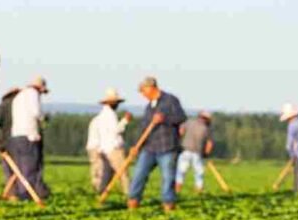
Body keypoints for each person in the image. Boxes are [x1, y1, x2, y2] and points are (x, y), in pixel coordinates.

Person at [128, 76, 187, 211]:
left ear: (151, 87)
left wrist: (164, 119)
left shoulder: (170, 100)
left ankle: (168, 204)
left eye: (143, 91)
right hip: (149, 148)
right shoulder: (149, 107)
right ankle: (133, 201)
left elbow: (181, 117)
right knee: (138, 175)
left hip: (167, 147)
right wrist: (136, 146)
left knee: (168, 178)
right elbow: (144, 128)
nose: (142, 94)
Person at [8, 75, 50, 201]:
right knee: (30, 167)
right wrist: (44, 118)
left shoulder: (18, 96)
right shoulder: (33, 94)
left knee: (20, 167)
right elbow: (36, 113)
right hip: (29, 135)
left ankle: (21, 192)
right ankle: (27, 195)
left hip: (16, 136)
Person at [86, 88, 131, 194]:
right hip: (113, 148)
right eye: (116, 102)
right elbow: (115, 131)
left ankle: (101, 194)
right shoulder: (110, 115)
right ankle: (130, 195)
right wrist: (125, 120)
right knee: (123, 174)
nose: (117, 104)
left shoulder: (101, 116)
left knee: (105, 175)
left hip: (105, 149)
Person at [176, 111, 214, 193]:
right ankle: (199, 189)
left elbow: (180, 132)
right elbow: (210, 143)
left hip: (185, 150)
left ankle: (177, 189)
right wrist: (206, 154)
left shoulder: (188, 123)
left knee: (181, 171)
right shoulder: (206, 128)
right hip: (197, 153)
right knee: (199, 172)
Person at [0, 87, 20, 193]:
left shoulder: (4, 105)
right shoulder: (22, 104)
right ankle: (21, 190)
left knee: (8, 168)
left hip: (7, 139)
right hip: (21, 140)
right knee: (20, 166)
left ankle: (11, 192)